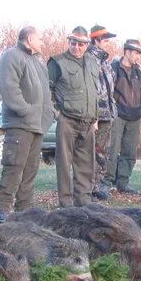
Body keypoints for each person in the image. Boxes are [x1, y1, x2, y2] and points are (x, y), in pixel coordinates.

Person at [0, 27, 54, 223]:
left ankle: (25, 210)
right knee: (14, 167)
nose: (42, 42)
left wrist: (48, 113)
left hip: (37, 126)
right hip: (19, 124)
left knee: (30, 169)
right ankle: (1, 209)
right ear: (30, 38)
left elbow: (47, 93)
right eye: (40, 38)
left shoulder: (38, 63)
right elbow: (9, 89)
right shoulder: (12, 56)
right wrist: (26, 110)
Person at [48, 26, 99, 208]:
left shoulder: (93, 63)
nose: (76, 47)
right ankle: (66, 203)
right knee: (64, 163)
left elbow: (94, 91)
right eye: (73, 43)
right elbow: (48, 89)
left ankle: (83, 201)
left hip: (88, 121)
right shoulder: (57, 62)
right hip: (67, 120)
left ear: (86, 45)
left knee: (86, 163)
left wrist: (96, 118)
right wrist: (57, 112)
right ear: (68, 42)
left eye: (80, 44)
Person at [104, 39, 141, 194]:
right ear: (127, 52)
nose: (139, 57)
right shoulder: (113, 68)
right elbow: (107, 93)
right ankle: (106, 182)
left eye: (140, 53)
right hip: (118, 116)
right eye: (136, 53)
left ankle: (123, 182)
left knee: (130, 152)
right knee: (112, 151)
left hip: (135, 117)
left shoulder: (138, 72)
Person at [86, 24, 117, 201]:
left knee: (102, 152)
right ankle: (87, 189)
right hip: (95, 114)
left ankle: (96, 186)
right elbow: (89, 89)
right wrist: (93, 116)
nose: (108, 44)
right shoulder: (89, 58)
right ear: (96, 40)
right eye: (105, 40)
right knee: (90, 153)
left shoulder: (105, 60)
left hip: (108, 113)